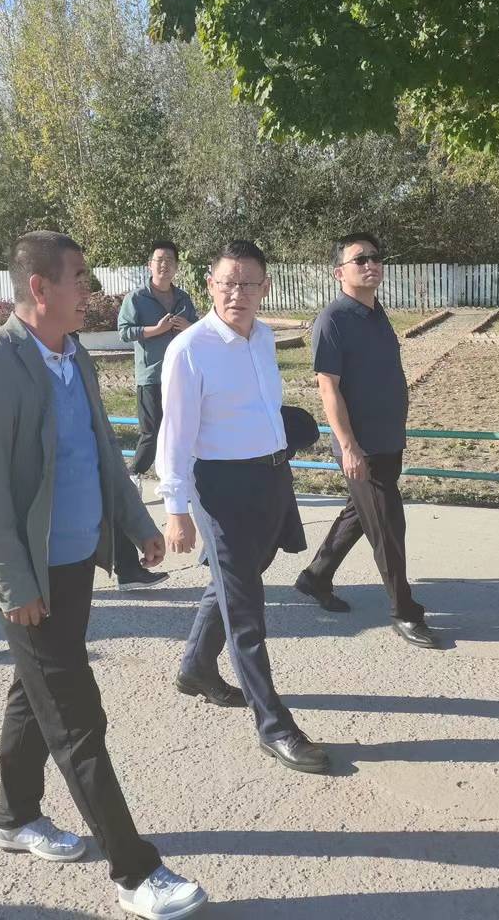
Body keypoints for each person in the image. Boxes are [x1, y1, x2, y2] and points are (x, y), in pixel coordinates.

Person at [0, 231, 207, 920]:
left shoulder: (74, 357)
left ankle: (13, 816)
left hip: (74, 565)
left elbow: (101, 451)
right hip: (29, 574)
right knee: (75, 716)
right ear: (40, 287)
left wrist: (137, 523)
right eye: (79, 278)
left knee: (31, 692)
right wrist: (13, 585)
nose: (89, 292)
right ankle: (135, 872)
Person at [158, 240, 331, 775]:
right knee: (247, 611)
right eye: (227, 283)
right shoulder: (189, 349)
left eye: (248, 283)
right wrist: (176, 509)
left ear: (265, 288)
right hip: (221, 490)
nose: (237, 293)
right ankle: (274, 726)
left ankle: (195, 667)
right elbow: (174, 435)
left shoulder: (262, 338)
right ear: (210, 286)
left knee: (237, 582)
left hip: (271, 477)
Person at [293, 234, 441, 650]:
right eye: (360, 260)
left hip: (388, 439)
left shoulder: (376, 312)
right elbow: (328, 388)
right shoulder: (333, 320)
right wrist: (348, 446)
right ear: (339, 272)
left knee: (360, 514)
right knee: (388, 526)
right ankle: (404, 611)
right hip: (362, 447)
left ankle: (316, 576)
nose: (371, 264)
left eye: (375, 257)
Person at [112, 241, 197, 591]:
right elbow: (124, 332)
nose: (164, 266)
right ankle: (135, 474)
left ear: (176, 266)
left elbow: (196, 329)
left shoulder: (183, 297)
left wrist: (184, 325)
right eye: (159, 260)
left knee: (181, 432)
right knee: (152, 431)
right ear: (150, 265)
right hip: (150, 376)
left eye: (170, 261)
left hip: (181, 376)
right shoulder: (137, 298)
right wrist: (156, 330)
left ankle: (180, 483)